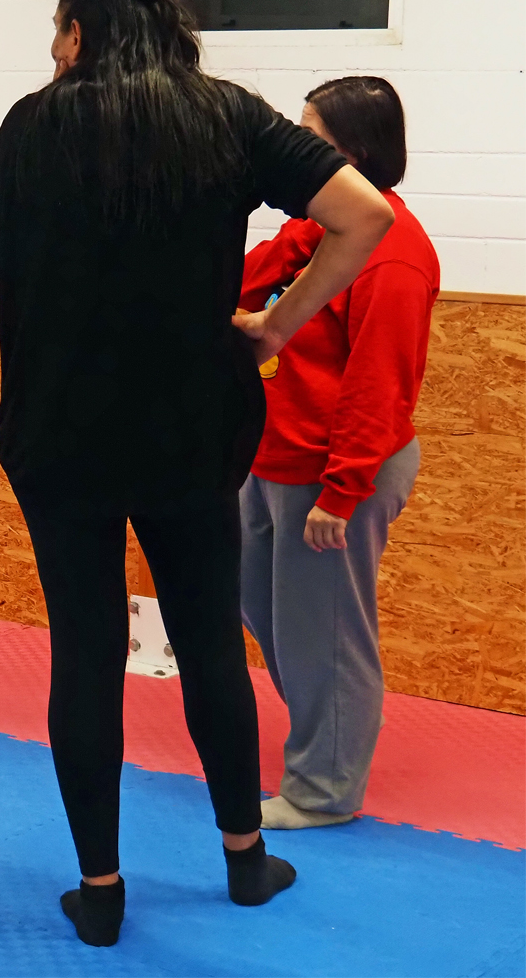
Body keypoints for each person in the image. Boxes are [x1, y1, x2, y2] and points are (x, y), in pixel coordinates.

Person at [0, 0, 395, 947]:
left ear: (76, 33)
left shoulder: (34, 122)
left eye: (57, 31)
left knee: (86, 651)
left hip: (59, 428)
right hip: (193, 428)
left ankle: (101, 889)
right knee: (206, 643)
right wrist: (277, 325)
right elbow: (363, 213)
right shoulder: (226, 114)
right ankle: (244, 858)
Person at [238, 76, 440, 831]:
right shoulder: (317, 230)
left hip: (336, 469)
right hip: (273, 454)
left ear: (351, 153)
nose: (296, 148)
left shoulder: (392, 254)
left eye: (310, 136)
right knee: (262, 606)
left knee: (322, 631)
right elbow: (253, 276)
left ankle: (324, 789)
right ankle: (332, 731)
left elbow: (378, 386)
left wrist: (342, 491)